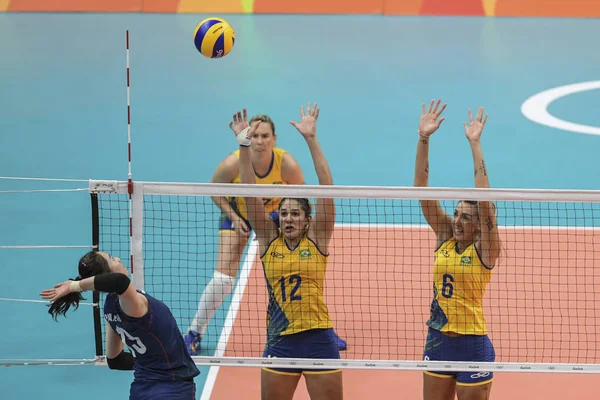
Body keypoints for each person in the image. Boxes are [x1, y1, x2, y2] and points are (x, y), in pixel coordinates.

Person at [185, 109, 347, 354]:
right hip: (239, 214)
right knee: (223, 280)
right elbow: (214, 189)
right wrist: (234, 217)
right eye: (255, 136)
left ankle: (320, 327)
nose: (260, 141)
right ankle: (194, 332)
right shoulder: (233, 163)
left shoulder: (286, 163)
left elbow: (301, 198)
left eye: (264, 136)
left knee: (302, 268)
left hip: (277, 217)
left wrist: (306, 227)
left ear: (274, 138)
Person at [234, 103, 343, 399]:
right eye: (284, 213)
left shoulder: (317, 239)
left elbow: (327, 186)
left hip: (319, 337)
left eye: (296, 213)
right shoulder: (269, 241)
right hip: (280, 339)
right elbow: (249, 192)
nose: (289, 218)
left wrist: (311, 138)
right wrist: (245, 145)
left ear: (307, 220)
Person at [414, 100, 501, 400]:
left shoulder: (486, 250)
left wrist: (475, 144)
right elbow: (421, 189)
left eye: (466, 217)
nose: (457, 221)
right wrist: (423, 138)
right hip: (438, 341)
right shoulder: (444, 237)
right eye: (456, 214)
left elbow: (486, 202)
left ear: (479, 226)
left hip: (473, 344)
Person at [40, 251, 200, 400]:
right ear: (106, 275)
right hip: (172, 389)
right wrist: (75, 286)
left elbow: (115, 360)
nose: (118, 259)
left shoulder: (110, 307)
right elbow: (120, 282)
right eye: (111, 258)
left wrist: (150, 363)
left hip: (142, 389)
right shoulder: (130, 304)